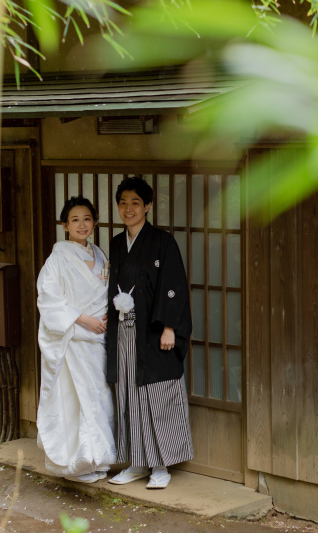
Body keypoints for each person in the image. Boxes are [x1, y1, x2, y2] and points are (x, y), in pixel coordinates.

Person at [106, 177, 193, 489]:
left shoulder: (162, 241)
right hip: (125, 332)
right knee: (128, 394)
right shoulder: (117, 244)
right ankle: (136, 463)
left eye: (135, 203)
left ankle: (161, 466)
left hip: (154, 334)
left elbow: (174, 286)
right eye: (123, 203)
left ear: (147, 207)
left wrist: (170, 327)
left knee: (156, 395)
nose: (128, 209)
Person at [35, 196, 116, 483]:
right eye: (75, 220)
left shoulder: (100, 254)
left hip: (98, 338)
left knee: (98, 396)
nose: (82, 225)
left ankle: (97, 457)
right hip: (74, 338)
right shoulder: (58, 258)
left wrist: (106, 317)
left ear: (94, 222)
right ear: (64, 225)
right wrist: (83, 319)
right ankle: (76, 462)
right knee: (75, 397)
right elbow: (49, 300)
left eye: (87, 219)